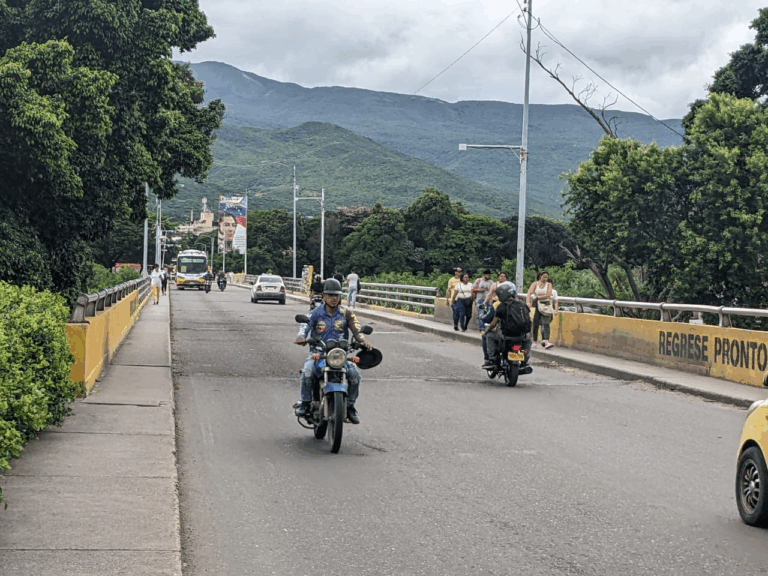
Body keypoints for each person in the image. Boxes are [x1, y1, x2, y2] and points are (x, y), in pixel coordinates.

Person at [294, 278, 372, 424]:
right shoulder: (315, 313)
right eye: (330, 295)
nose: (333, 299)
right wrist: (301, 337)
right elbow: (305, 326)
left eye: (336, 295)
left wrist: (362, 341)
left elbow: (356, 329)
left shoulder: (346, 314)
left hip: (340, 355)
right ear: (323, 296)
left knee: (355, 376)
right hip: (318, 354)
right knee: (307, 373)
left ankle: (350, 406)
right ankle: (305, 403)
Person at [483, 282, 533, 374]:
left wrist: (487, 330)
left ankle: (492, 360)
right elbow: (530, 321)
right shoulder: (522, 304)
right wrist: (530, 334)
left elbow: (494, 323)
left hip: (506, 335)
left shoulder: (501, 306)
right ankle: (525, 362)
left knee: (489, 336)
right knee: (528, 341)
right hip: (521, 335)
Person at [527, 270, 555, 349]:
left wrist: (538, 297)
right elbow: (529, 293)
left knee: (546, 323)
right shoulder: (535, 284)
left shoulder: (549, 285)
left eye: (547, 277)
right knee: (535, 323)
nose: (545, 278)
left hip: (545, 305)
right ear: (540, 276)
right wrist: (528, 302)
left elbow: (548, 295)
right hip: (536, 305)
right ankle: (534, 341)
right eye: (544, 277)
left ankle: (546, 340)